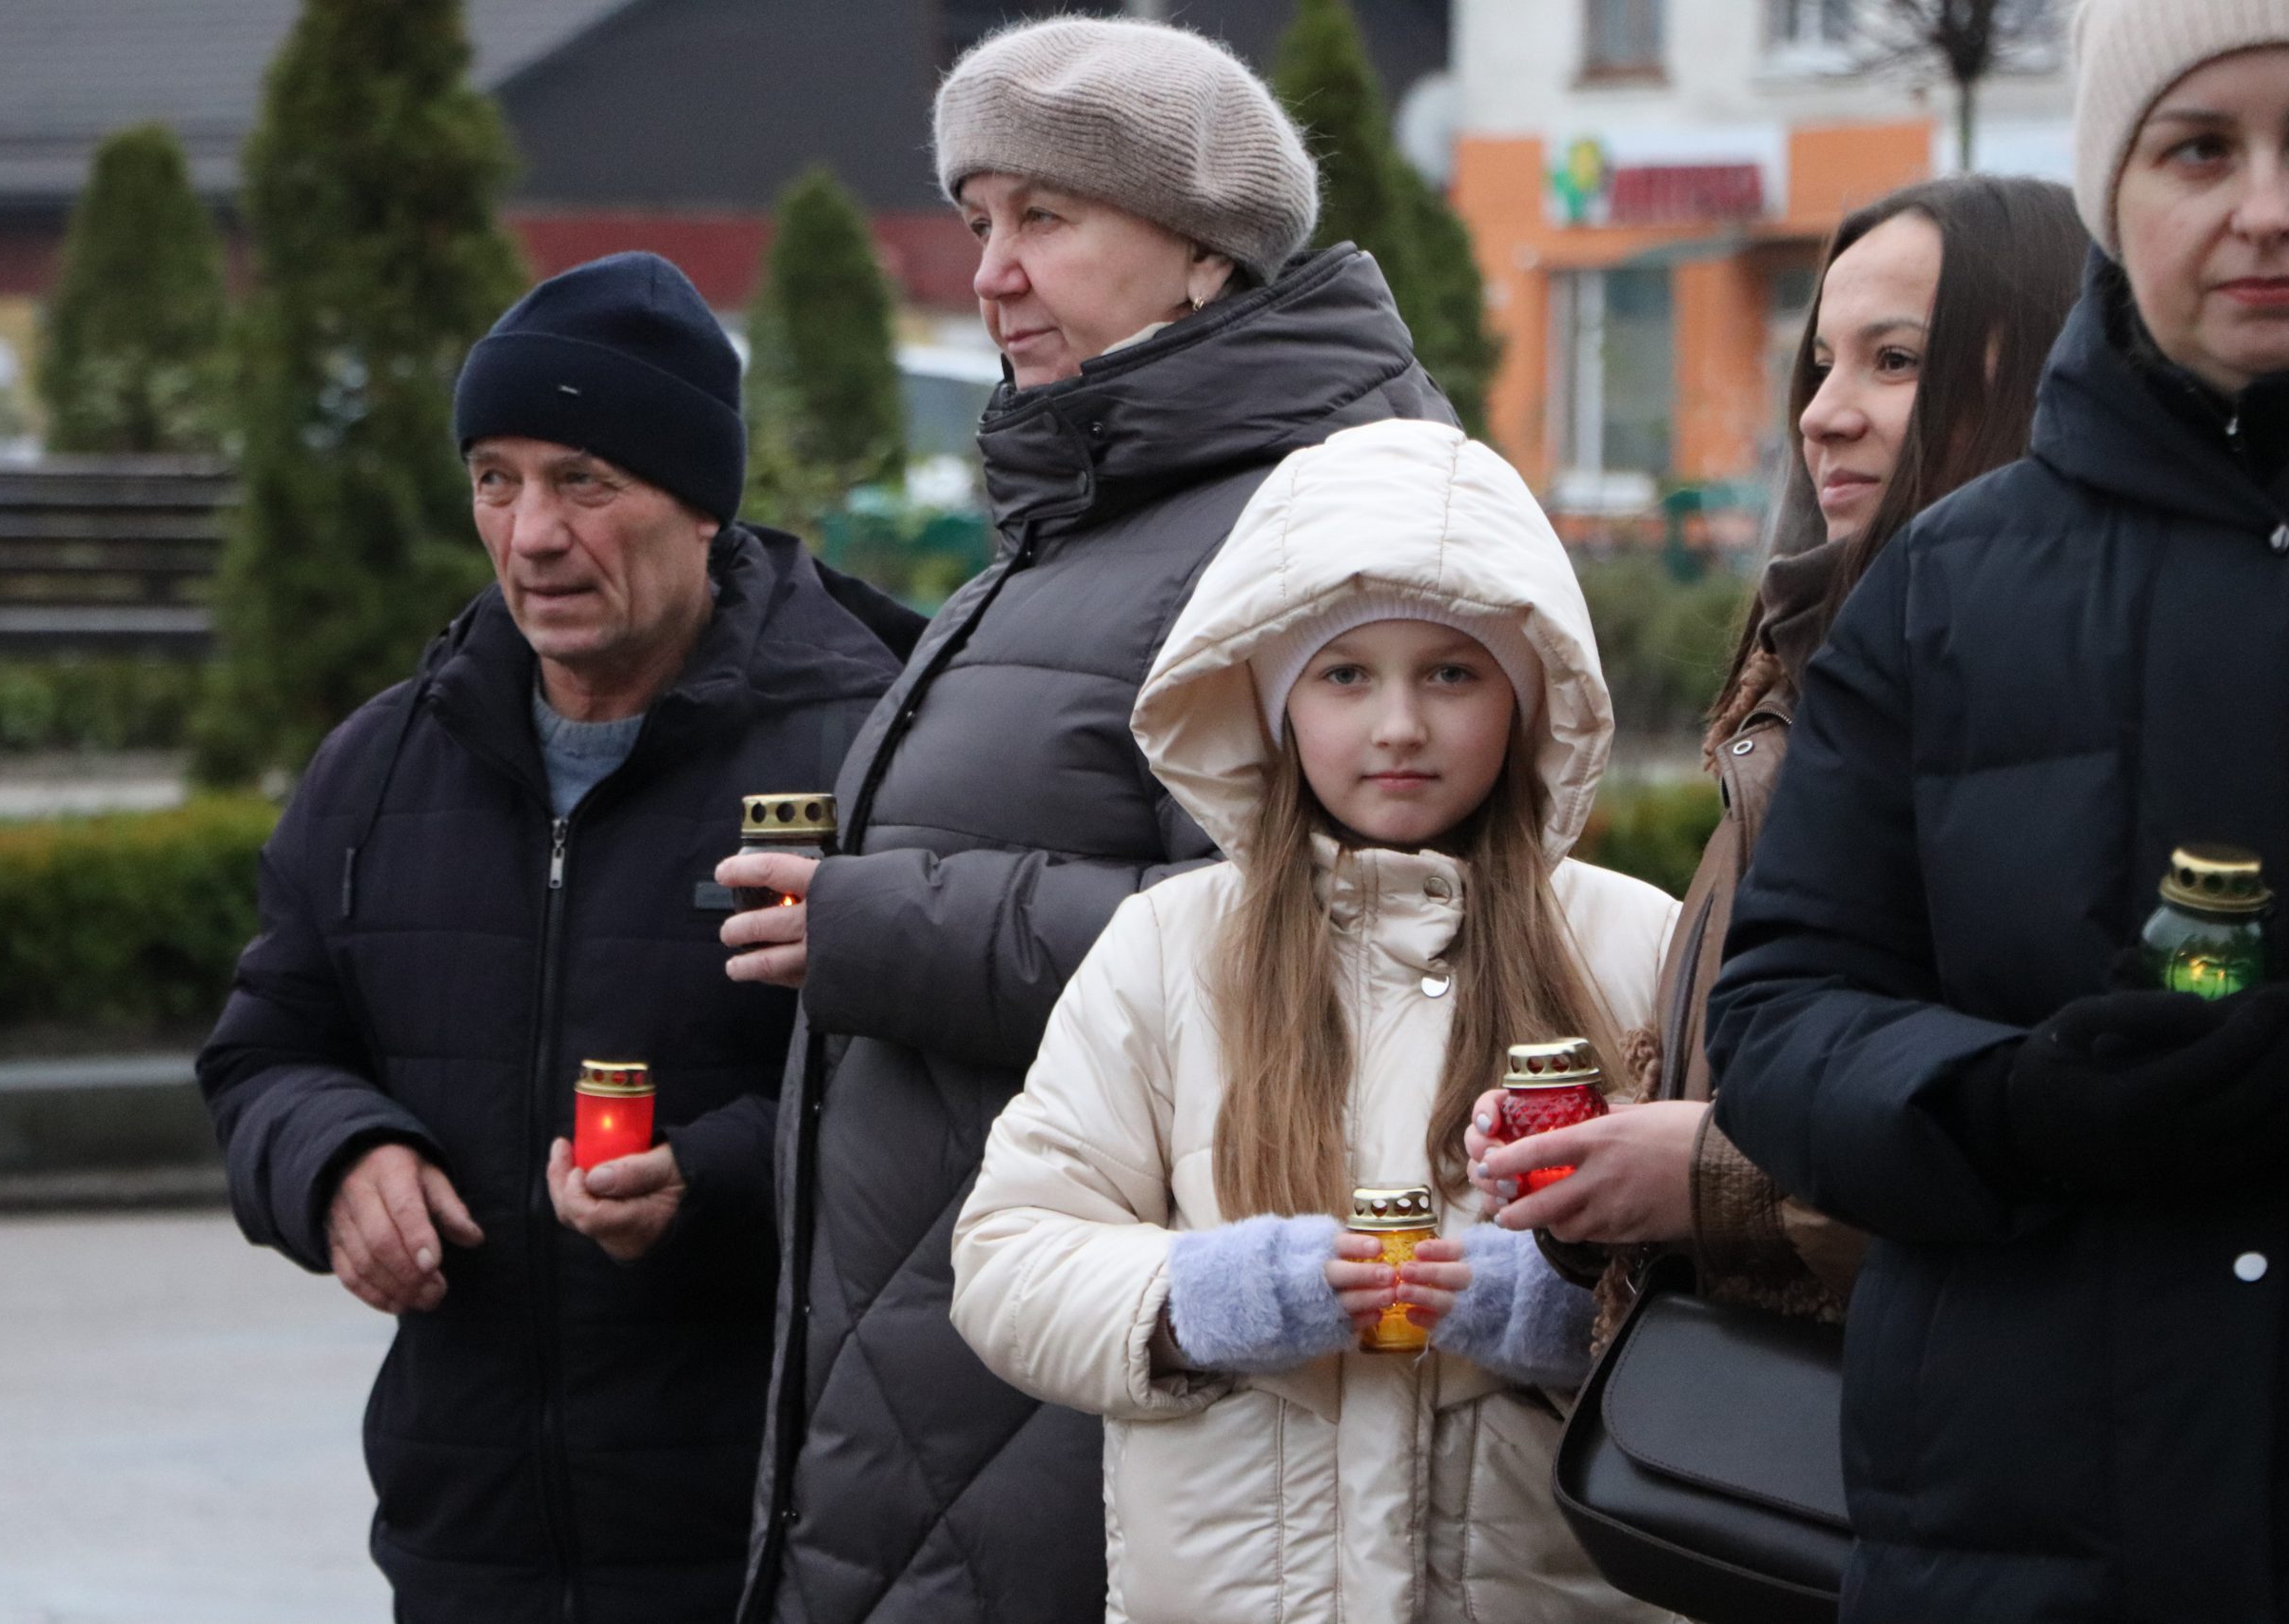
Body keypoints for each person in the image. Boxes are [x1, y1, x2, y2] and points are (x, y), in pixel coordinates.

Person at [718, 18, 1456, 1624]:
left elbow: (1344, 935)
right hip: (963, 1361)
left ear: (1201, 253)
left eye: (1045, 220)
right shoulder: (1091, 512)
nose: (988, 271)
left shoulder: (1321, 519)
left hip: (1127, 1405)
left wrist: (878, 927)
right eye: (978, 220)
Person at [196, 252, 910, 1622]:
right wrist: (338, 1156)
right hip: (470, 1550)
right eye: (496, 478)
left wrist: (708, 1181)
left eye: (585, 479)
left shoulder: (878, 749)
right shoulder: (382, 764)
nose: (531, 532)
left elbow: (966, 1105)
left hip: (786, 1545)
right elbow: (264, 1052)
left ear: (702, 504)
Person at [1703, 2, 2289, 1616]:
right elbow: (1782, 1009)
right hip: (2033, 1536)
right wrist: (2003, 1104)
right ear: (2114, 192)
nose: (2267, 208)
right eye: (2198, 148)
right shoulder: (1949, 588)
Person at [949, 418, 1679, 1623]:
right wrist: (1214, 1297)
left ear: (1530, 696)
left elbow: (1749, 1280)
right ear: (1274, 704)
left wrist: (1568, 1313)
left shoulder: (1634, 944)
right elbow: (1007, 1260)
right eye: (1344, 675)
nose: (1399, 726)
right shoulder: (1170, 947)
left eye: (1451, 672)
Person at [1464, 175, 2086, 1332]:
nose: (1823, 413)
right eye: (1820, 363)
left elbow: (2072, 1151)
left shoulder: (2062, 704)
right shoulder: (1807, 682)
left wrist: (1705, 1178)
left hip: (1940, 1447)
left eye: (1894, 362)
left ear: (2049, 368)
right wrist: (1604, 1161)